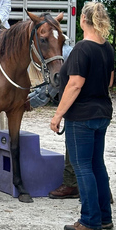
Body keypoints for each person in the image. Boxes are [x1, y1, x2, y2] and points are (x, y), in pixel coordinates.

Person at [50, 2, 114, 230]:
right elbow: (109, 82)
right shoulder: (107, 48)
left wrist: (58, 115)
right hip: (103, 112)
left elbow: (75, 84)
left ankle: (89, 221)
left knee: (82, 167)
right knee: (97, 164)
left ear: (83, 20)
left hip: (82, 116)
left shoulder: (81, 49)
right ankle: (104, 217)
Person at [27, 42, 80, 199]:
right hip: (101, 107)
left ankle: (72, 185)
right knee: (93, 152)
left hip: (79, 108)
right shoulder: (104, 48)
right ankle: (104, 192)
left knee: (76, 147)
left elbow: (53, 87)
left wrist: (27, 103)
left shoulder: (64, 54)